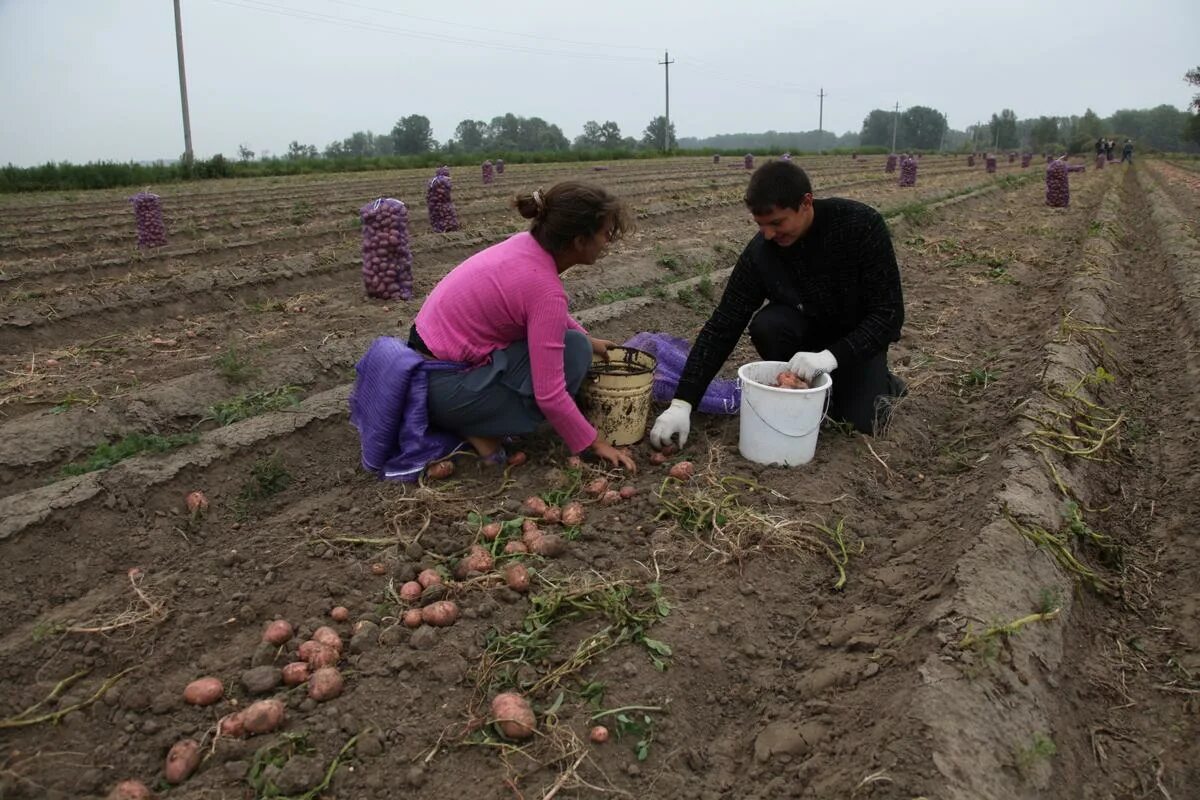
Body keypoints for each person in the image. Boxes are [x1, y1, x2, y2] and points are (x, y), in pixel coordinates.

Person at [649, 160, 905, 451]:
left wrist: (830, 357)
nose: (769, 234)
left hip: (856, 342)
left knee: (860, 424)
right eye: (760, 225)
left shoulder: (859, 226)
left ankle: (882, 383)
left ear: (806, 203)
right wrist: (683, 403)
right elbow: (724, 324)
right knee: (768, 325)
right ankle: (803, 389)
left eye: (777, 222)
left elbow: (889, 315)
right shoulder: (762, 252)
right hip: (804, 339)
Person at [410, 181, 637, 472]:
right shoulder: (546, 290)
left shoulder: (525, 247)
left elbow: (540, 315)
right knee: (574, 355)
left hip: (424, 373)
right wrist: (595, 443)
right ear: (580, 241)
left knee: (577, 344)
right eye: (605, 234)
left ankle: (474, 419)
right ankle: (477, 425)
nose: (607, 242)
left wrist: (587, 337)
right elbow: (550, 394)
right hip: (443, 393)